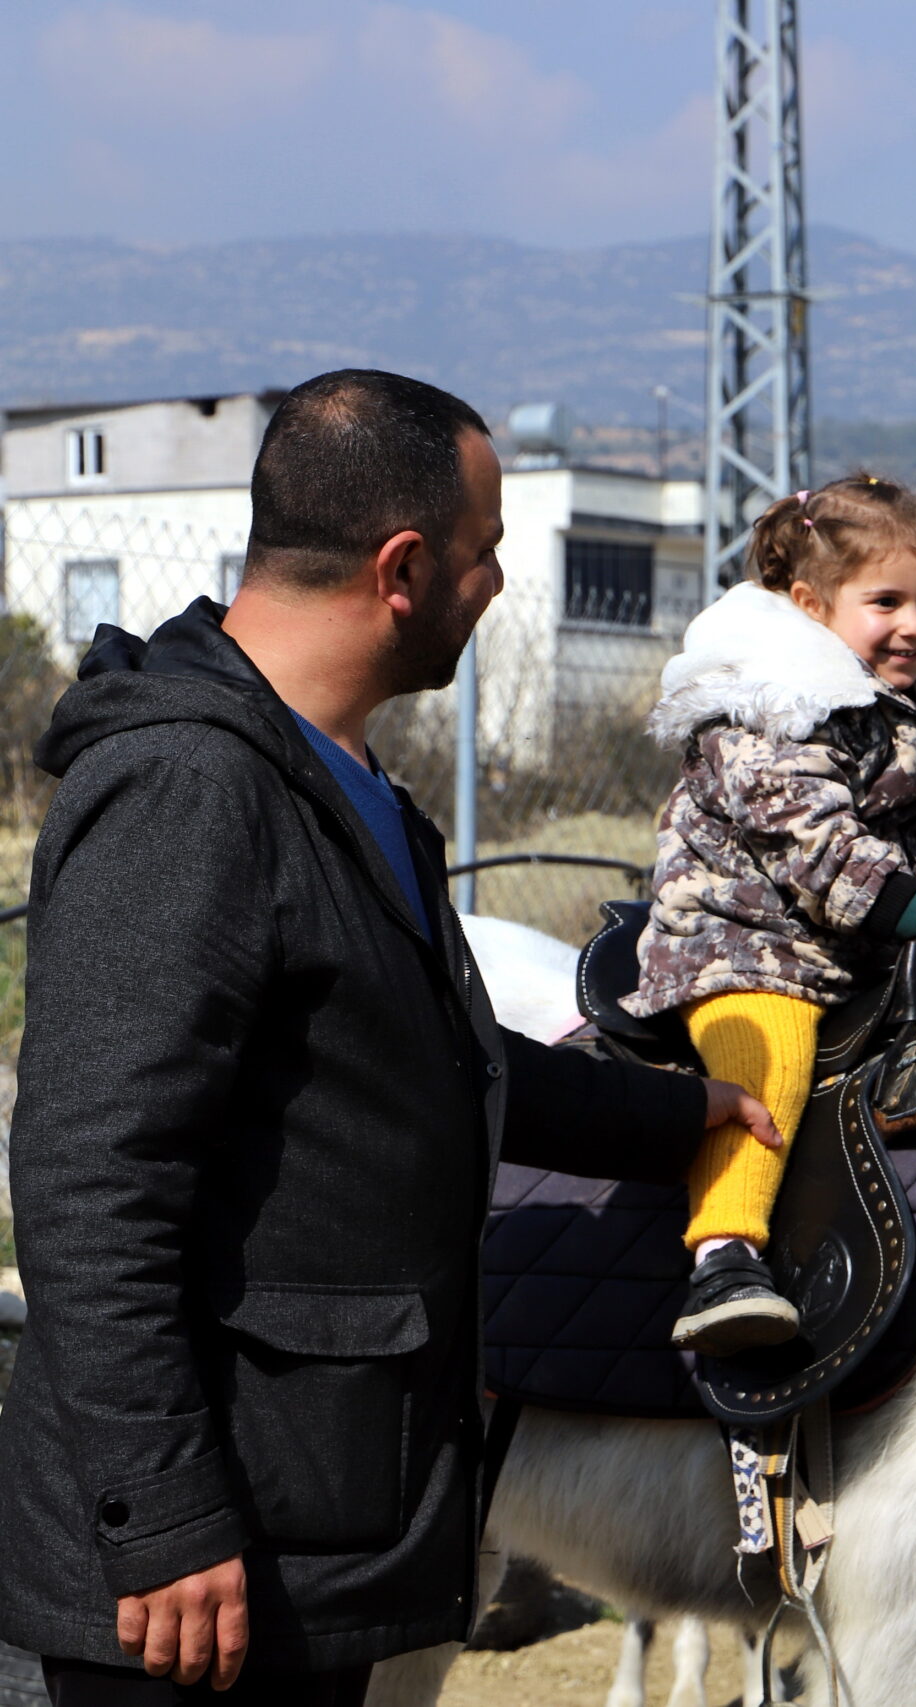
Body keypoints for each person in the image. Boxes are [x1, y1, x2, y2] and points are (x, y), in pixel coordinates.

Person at [0, 369, 778, 1704]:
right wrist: (165, 1513)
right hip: (199, 1577)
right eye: (483, 557)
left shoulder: (345, 785)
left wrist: (680, 1114)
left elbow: (429, 1067)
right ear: (404, 567)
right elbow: (90, 1185)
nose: (494, 588)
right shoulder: (191, 792)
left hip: (311, 1531)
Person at [623, 472, 916, 1354]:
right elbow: (806, 834)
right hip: (742, 937)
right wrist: (909, 900)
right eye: (887, 601)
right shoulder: (769, 703)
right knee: (770, 1055)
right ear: (811, 604)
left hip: (858, 937)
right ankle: (725, 1255)